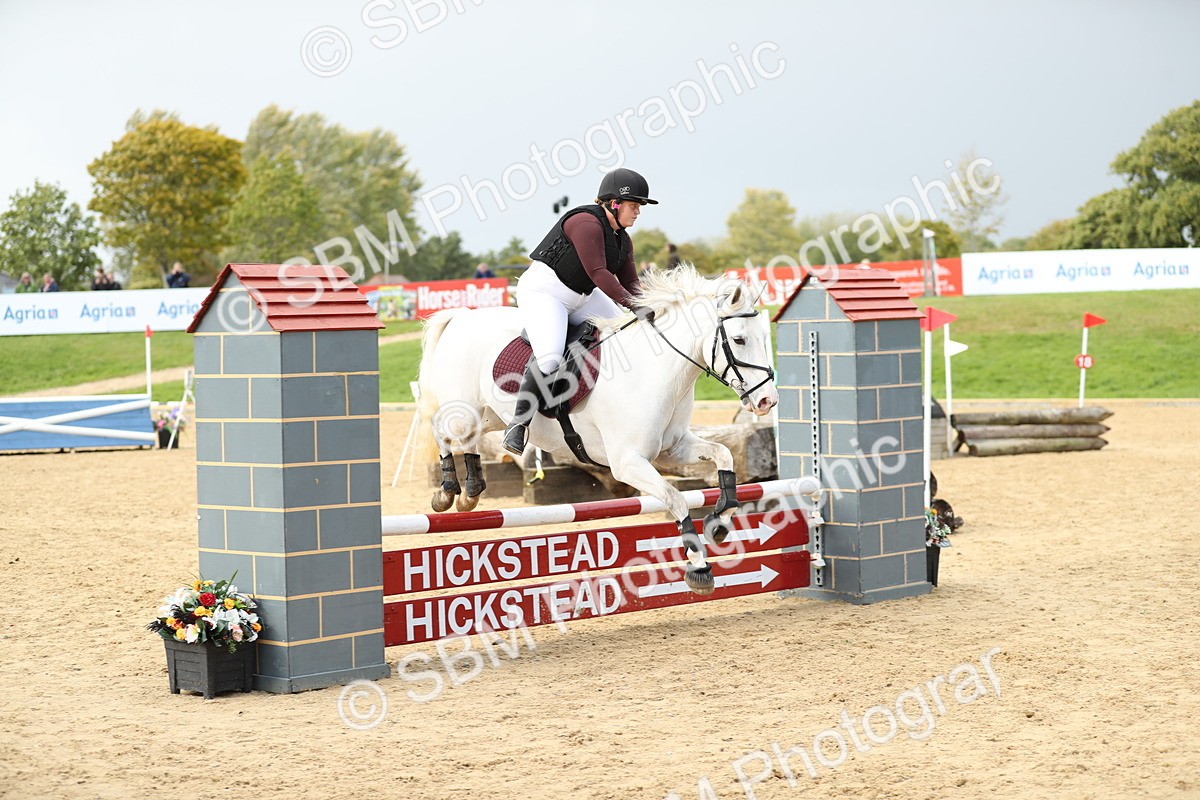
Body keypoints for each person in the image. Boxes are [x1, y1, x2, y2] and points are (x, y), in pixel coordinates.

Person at [502, 167, 657, 456]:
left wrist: (653, 305)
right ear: (615, 203)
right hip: (545, 292)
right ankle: (518, 424)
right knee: (550, 358)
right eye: (634, 205)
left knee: (624, 333)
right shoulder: (585, 223)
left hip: (583, 296)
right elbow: (599, 273)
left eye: (640, 207)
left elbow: (631, 283)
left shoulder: (622, 239)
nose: (638, 212)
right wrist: (634, 305)